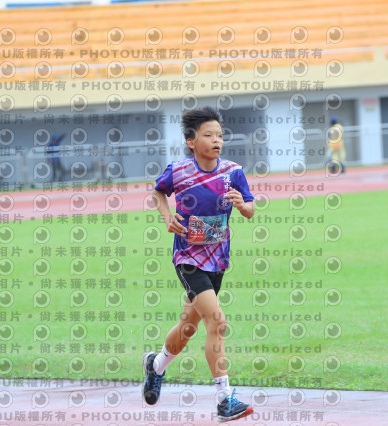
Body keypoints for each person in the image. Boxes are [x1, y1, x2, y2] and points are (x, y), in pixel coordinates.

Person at [143, 106, 255, 422]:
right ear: (192, 141)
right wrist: (167, 217)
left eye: (219, 134)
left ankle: (155, 366)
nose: (217, 140)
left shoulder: (233, 171)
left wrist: (242, 205)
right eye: (209, 135)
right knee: (217, 322)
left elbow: (250, 209)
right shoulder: (179, 171)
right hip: (188, 258)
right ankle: (224, 400)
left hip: (217, 259)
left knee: (188, 328)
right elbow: (158, 192)